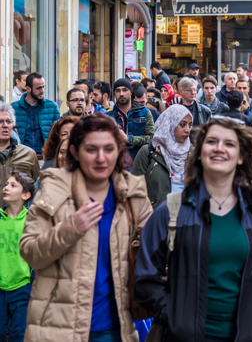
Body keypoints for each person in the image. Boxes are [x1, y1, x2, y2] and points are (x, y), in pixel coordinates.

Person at [135, 117, 252, 342]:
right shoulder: (172, 211)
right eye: (212, 141)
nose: (219, 148)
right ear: (198, 153)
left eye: (229, 144)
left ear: (241, 157)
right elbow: (145, 277)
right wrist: (173, 317)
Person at [20, 115, 152, 342]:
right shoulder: (54, 189)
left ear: (119, 151)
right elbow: (31, 253)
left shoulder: (133, 193)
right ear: (74, 152)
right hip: (58, 327)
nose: (101, 158)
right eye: (91, 149)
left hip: (115, 326)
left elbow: (156, 250)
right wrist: (71, 228)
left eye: (108, 149)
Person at [131, 104, 193, 207]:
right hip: (155, 219)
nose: (187, 130)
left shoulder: (193, 154)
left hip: (186, 219)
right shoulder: (148, 152)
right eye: (182, 124)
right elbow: (134, 191)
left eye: (190, 125)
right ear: (169, 123)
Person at [0, 171, 34, 342]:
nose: (6, 188)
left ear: (25, 195)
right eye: (6, 184)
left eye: (13, 185)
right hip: (0, 288)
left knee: (18, 334)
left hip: (22, 287)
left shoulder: (31, 220)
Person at [11, 72, 60, 155]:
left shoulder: (52, 107)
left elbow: (58, 131)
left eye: (43, 87)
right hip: (21, 156)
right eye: (39, 88)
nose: (42, 91)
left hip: (44, 156)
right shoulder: (14, 108)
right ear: (28, 89)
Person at [108, 78, 156, 159]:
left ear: (131, 92)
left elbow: (152, 139)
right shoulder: (108, 116)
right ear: (114, 94)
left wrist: (129, 139)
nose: (121, 94)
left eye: (125, 90)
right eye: (118, 91)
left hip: (138, 161)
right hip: (115, 161)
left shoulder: (144, 113)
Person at [0, 104, 38, 186]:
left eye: (8, 121)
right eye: (0, 121)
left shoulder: (28, 154)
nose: (5, 125)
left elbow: (37, 188)